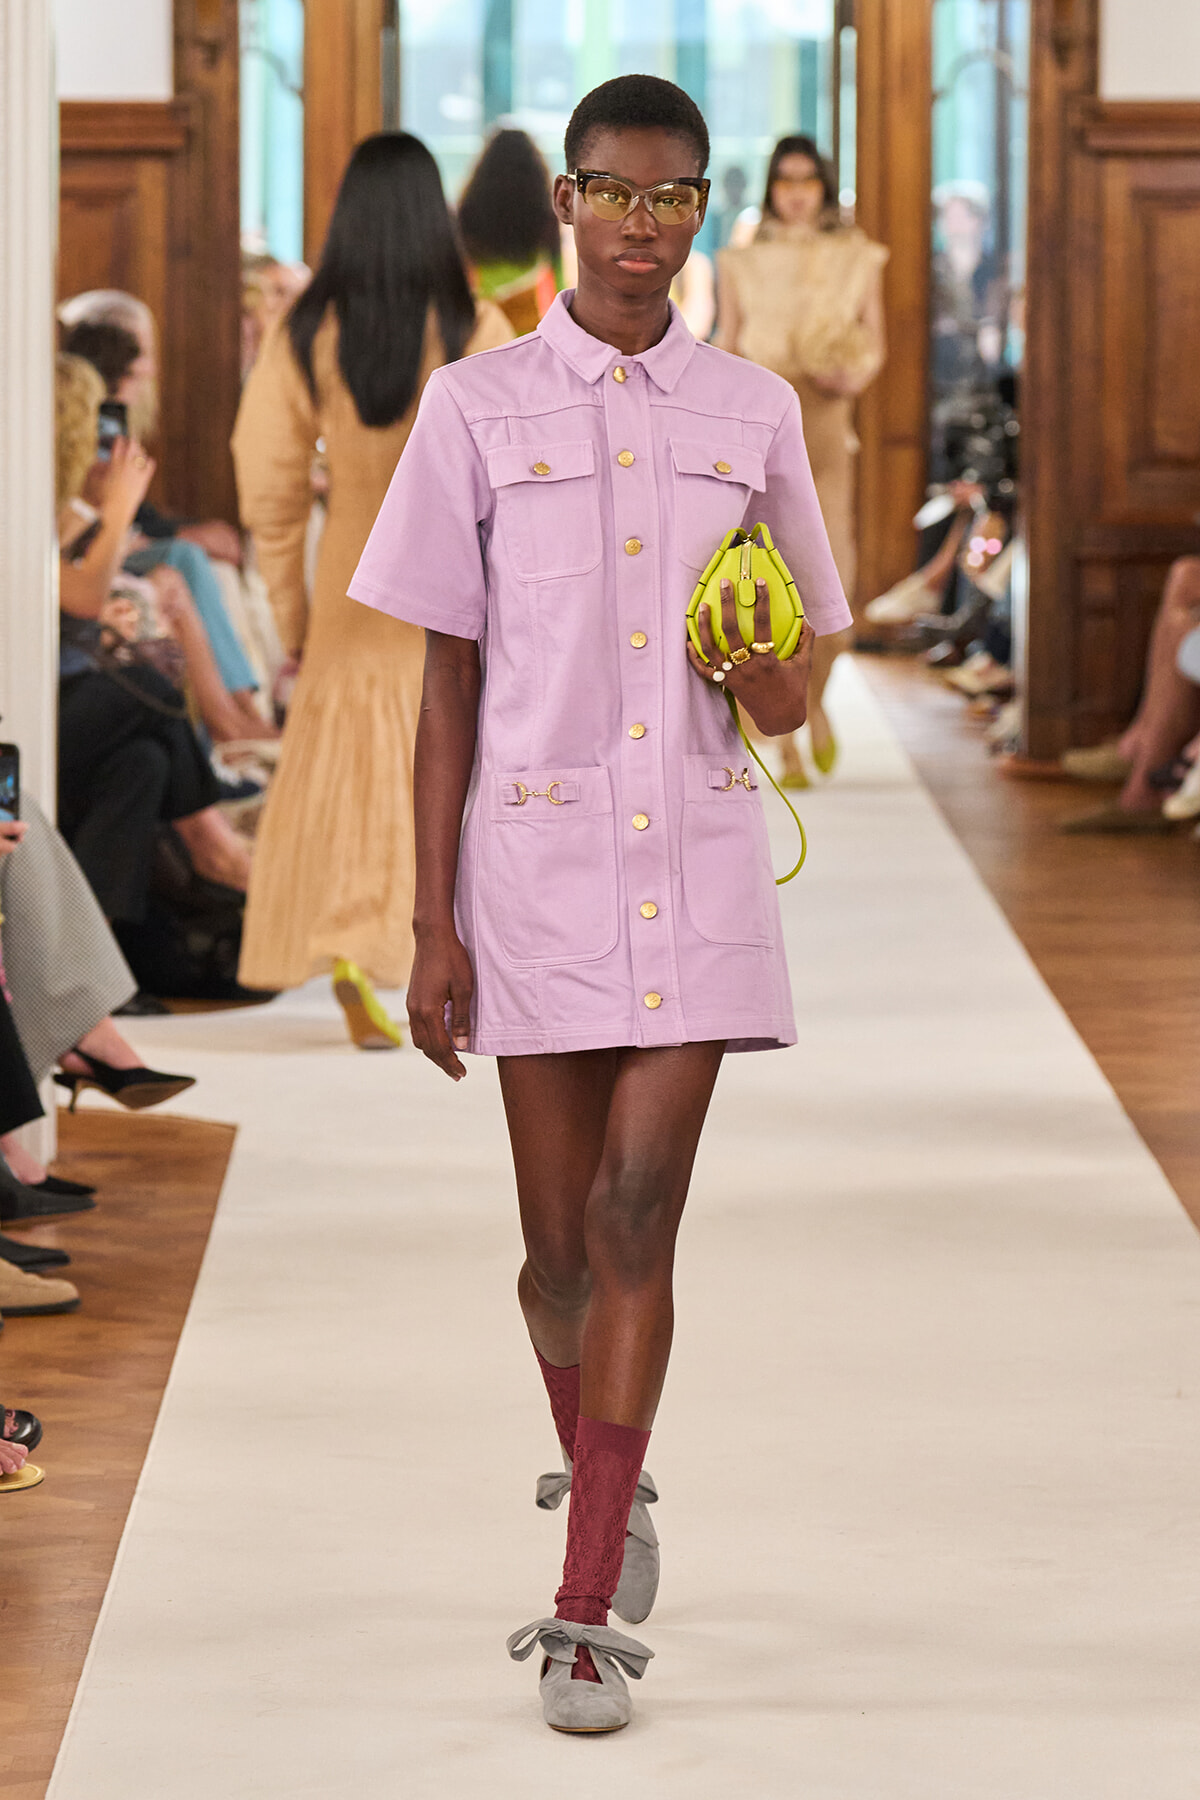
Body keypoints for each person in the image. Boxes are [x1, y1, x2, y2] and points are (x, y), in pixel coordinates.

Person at [349, 74, 850, 1732]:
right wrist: (431, 925)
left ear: (702, 212)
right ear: (565, 203)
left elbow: (789, 704)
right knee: (554, 1254)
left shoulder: (756, 415)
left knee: (639, 1217)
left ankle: (582, 1619)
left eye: (677, 197)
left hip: (696, 863)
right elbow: (446, 688)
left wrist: (759, 659)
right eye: (617, 193)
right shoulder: (474, 412)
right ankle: (608, 1476)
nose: (648, 224)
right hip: (536, 871)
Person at [232, 132, 512, 1048]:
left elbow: (265, 474)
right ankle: (407, 943)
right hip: (448, 574)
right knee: (436, 757)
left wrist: (288, 610)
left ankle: (345, 943)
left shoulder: (307, 326)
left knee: (341, 767)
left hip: (348, 568)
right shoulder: (476, 325)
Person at [55, 354, 251, 927]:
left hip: (67, 701)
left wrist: (98, 507)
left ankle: (108, 954)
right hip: (27, 714)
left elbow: (73, 581)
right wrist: (117, 511)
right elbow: (81, 597)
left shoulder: (56, 506)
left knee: (141, 763)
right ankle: (212, 843)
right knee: (150, 687)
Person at [715, 135, 887, 783]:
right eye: (784, 178)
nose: (795, 191)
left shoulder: (857, 255)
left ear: (823, 186)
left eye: (807, 179)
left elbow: (876, 343)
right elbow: (728, 343)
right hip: (755, 433)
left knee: (832, 594)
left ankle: (813, 705)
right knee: (762, 593)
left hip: (825, 430)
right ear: (770, 186)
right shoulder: (741, 260)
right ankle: (783, 741)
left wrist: (854, 373)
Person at [62, 317, 272, 742]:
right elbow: (83, 591)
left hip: (101, 562)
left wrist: (117, 509)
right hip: (76, 624)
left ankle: (240, 719)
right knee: (180, 567)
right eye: (141, 372)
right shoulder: (52, 473)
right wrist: (117, 509)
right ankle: (231, 727)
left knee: (181, 575)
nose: (152, 378)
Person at [457, 128, 562, 335]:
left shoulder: (469, 210)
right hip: (528, 324)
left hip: (483, 322)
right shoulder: (545, 213)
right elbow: (560, 282)